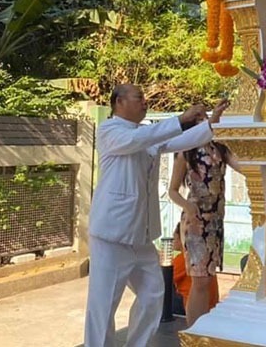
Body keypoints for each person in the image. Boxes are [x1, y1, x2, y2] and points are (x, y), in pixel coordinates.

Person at [84, 83, 230, 347]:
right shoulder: (110, 131)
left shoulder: (145, 134)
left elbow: (177, 141)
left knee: (153, 294)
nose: (144, 102)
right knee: (103, 305)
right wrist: (180, 119)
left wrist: (211, 124)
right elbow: (140, 140)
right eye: (139, 97)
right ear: (119, 102)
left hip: (141, 234)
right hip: (111, 235)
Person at [168, 135, 242, 326]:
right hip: (195, 222)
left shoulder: (221, 149)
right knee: (199, 282)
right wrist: (188, 207)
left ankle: (200, 332)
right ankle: (194, 333)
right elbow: (173, 191)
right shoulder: (186, 152)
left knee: (206, 281)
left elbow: (244, 167)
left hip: (215, 221)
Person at [172, 222, 219, 315]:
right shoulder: (203, 255)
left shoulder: (184, 258)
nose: (172, 240)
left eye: (174, 237)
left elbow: (165, 276)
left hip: (190, 305)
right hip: (211, 306)